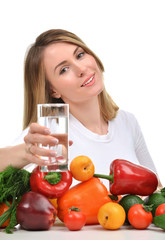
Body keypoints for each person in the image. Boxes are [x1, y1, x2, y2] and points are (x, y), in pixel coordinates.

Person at [0, 29, 162, 188]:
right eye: (64, 69)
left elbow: (157, 190)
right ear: (52, 90)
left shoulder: (127, 122)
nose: (81, 69)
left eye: (80, 55)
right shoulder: (53, 131)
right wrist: (26, 152)